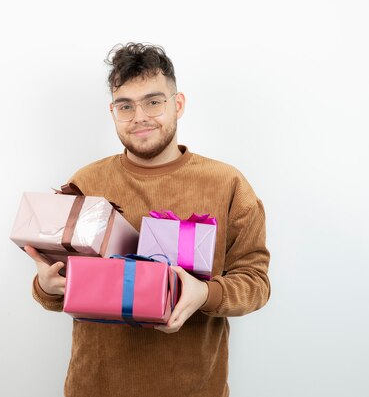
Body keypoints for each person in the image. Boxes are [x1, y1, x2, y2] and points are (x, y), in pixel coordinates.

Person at [24, 43, 270, 397]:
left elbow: (256, 283)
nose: (139, 116)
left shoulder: (227, 183)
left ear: (178, 104)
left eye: (154, 101)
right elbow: (59, 285)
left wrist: (205, 293)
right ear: (113, 112)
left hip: (195, 388)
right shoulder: (86, 182)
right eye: (126, 106)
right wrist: (45, 288)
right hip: (94, 387)